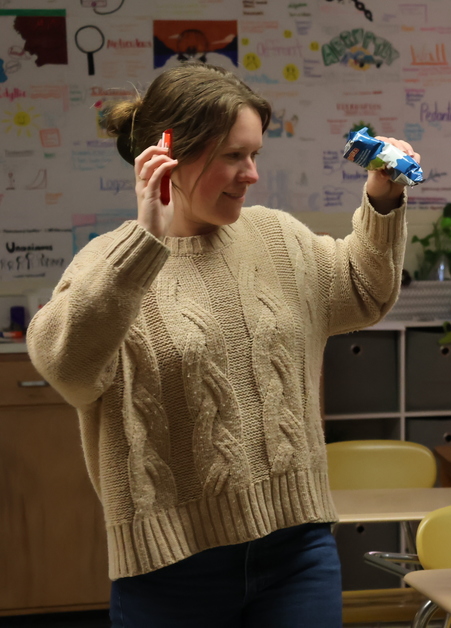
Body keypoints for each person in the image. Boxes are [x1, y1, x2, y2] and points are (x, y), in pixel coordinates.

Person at [26, 61, 415, 627]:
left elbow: (362, 290)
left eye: (254, 154)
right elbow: (67, 368)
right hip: (171, 566)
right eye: (234, 156)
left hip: (296, 550)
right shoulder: (110, 264)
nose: (251, 173)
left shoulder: (277, 237)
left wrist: (381, 199)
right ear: (168, 156)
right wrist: (144, 241)